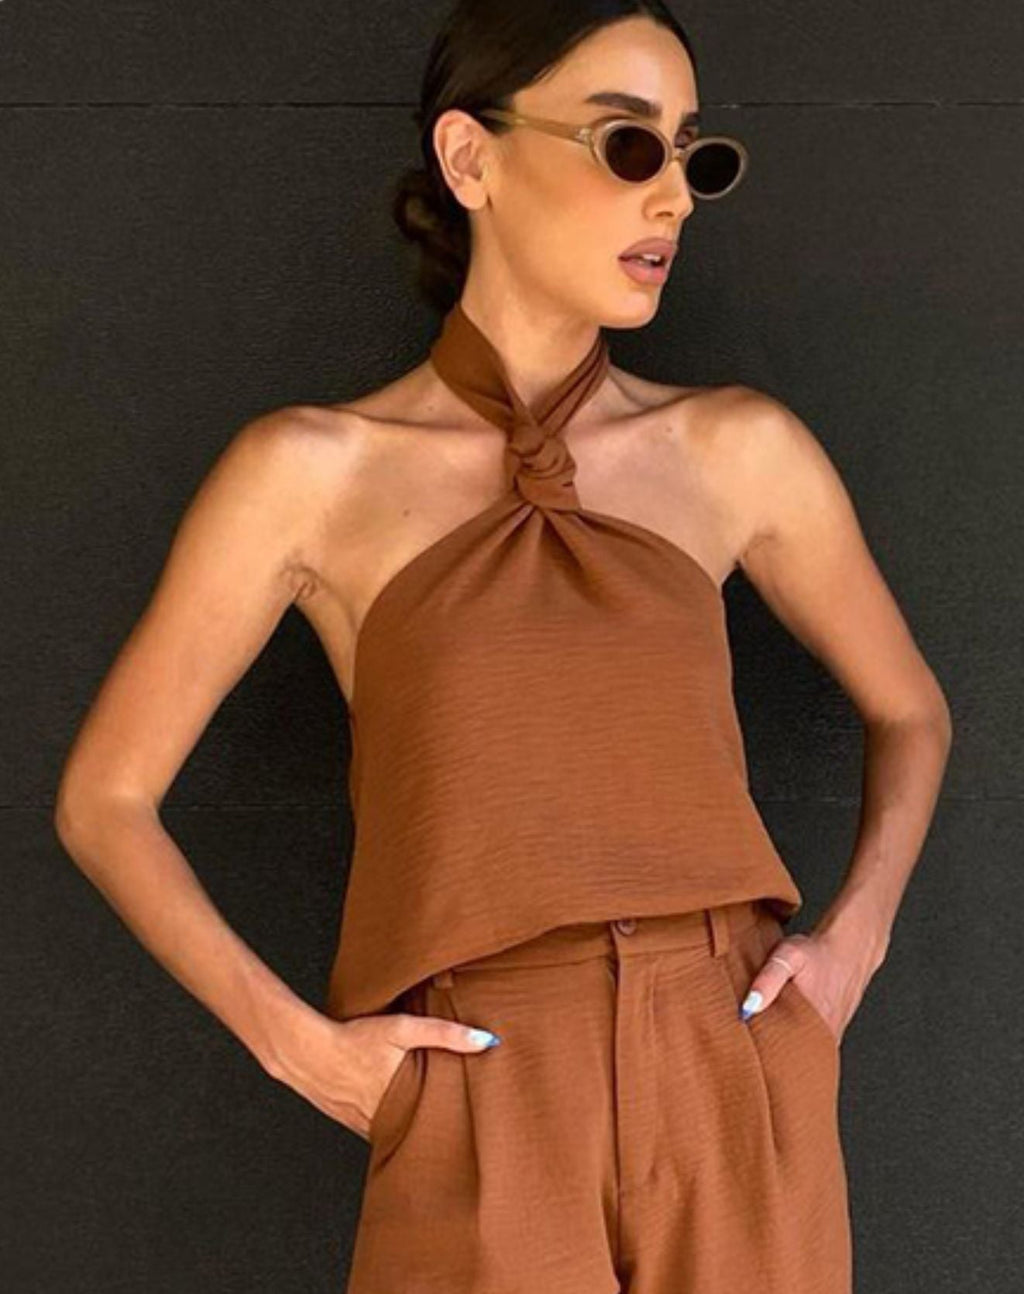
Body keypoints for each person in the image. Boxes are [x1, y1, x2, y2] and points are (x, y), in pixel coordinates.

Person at [54, 2, 953, 1291]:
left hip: (732, 1057)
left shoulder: (734, 450)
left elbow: (911, 709)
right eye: (626, 146)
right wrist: (300, 1048)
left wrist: (853, 948)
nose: (673, 198)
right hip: (482, 1080)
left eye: (691, 154)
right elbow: (106, 798)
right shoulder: (311, 472)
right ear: (471, 158)